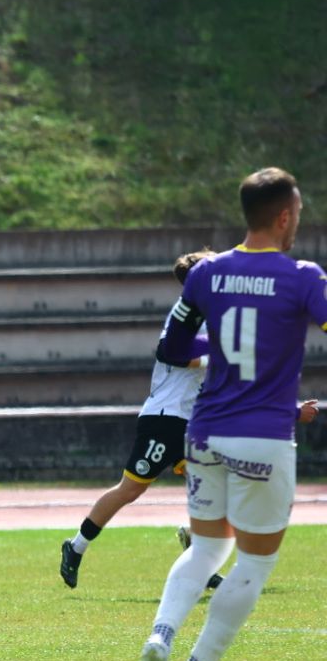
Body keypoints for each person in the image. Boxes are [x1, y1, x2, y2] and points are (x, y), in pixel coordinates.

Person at [137, 167, 326, 661]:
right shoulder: (303, 276)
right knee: (255, 562)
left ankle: (159, 637)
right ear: (285, 216)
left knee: (205, 548)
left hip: (205, 432)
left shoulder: (207, 273)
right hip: (263, 437)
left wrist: (217, 343)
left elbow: (173, 347)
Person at [59, 250, 219, 590]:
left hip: (192, 420)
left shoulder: (214, 313)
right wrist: (215, 358)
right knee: (131, 488)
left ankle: (198, 556)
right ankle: (76, 546)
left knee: (214, 485)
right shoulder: (186, 313)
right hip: (166, 417)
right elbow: (168, 352)